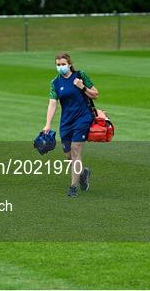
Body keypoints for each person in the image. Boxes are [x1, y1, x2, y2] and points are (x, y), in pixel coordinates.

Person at [43, 52, 99, 197]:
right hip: (66, 121)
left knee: (75, 151)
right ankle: (83, 173)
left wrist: (82, 87)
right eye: (58, 65)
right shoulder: (55, 83)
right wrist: (47, 124)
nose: (60, 67)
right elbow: (52, 104)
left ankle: (73, 187)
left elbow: (96, 94)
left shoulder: (80, 75)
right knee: (68, 156)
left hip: (82, 118)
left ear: (69, 64)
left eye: (63, 64)